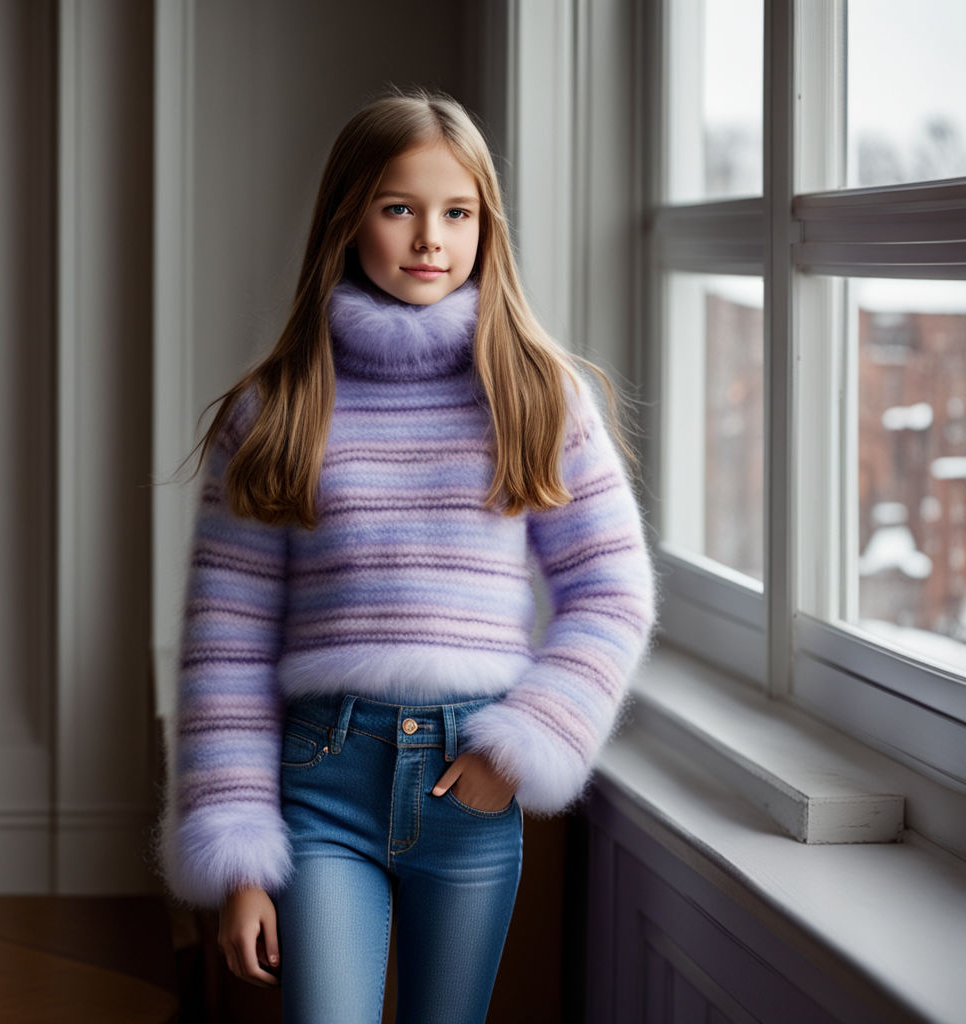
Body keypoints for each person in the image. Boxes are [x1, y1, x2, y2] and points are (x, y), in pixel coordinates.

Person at [160, 89, 655, 1024]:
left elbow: (613, 590)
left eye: (457, 212)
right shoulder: (275, 411)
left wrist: (524, 744)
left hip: (470, 786)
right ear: (348, 219)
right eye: (400, 208)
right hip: (322, 785)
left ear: (484, 225)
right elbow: (224, 644)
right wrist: (237, 858)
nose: (431, 237)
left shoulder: (536, 395)